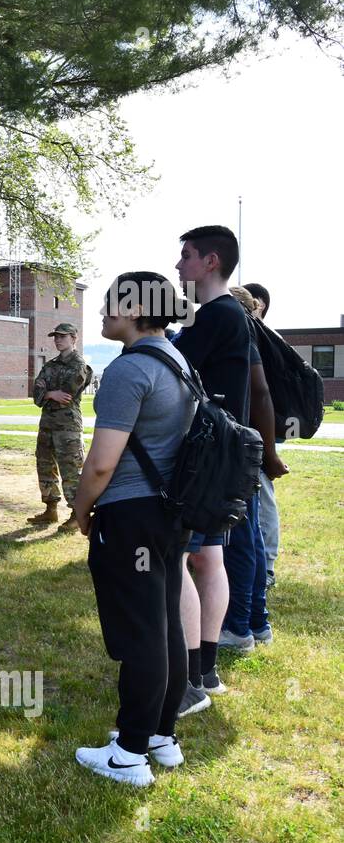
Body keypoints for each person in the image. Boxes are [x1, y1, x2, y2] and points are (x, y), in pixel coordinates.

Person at [73, 272, 196, 786]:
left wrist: (81, 509)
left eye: (110, 304)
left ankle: (128, 754)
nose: (102, 312)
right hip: (170, 514)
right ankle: (160, 737)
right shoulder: (177, 360)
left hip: (132, 516)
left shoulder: (128, 371)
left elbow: (102, 463)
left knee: (143, 633)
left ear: (135, 309)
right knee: (166, 624)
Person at [172, 227, 284, 704]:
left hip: (205, 458)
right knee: (209, 558)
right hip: (226, 455)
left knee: (182, 560)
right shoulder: (230, 316)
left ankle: (191, 678)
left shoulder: (215, 316)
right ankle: (208, 670)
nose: (178, 267)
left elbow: (168, 367)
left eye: (186, 257)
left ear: (211, 261)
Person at [28, 322, 94, 530]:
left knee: (71, 470)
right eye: (55, 336)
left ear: (74, 339)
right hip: (47, 424)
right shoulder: (50, 365)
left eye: (62, 336)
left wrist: (48, 392)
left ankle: (77, 514)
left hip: (67, 427)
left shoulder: (79, 365)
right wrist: (48, 393)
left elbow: (66, 393)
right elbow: (36, 393)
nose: (57, 340)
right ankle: (50, 509)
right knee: (45, 466)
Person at [240, 282, 280, 588]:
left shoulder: (259, 342)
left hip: (257, 436)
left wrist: (269, 453)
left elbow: (263, 394)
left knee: (261, 499)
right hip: (245, 437)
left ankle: (265, 568)